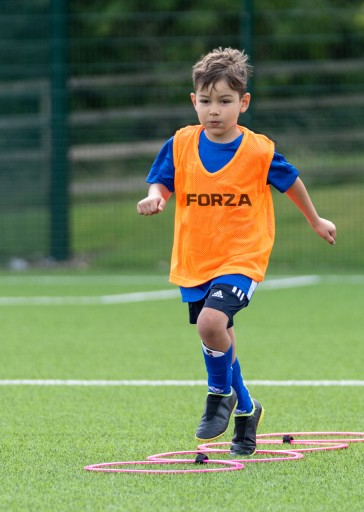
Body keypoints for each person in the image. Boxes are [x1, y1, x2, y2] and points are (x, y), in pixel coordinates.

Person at [137, 47, 336, 456]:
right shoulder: (180, 143)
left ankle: (218, 395)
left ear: (243, 103)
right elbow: (162, 180)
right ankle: (246, 410)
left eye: (225, 101)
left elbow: (292, 182)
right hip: (196, 257)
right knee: (219, 333)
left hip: (243, 256)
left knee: (210, 323)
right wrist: (156, 197)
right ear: (194, 101)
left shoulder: (258, 151)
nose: (214, 111)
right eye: (206, 101)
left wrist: (315, 219)